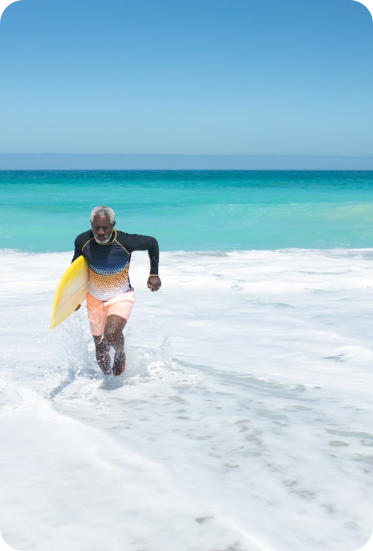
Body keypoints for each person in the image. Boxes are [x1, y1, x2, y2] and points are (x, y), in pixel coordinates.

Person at [72, 205, 161, 376]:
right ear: (91, 224)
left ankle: (120, 353)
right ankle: (107, 385)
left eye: (105, 227)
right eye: (96, 227)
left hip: (120, 296)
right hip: (94, 298)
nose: (101, 232)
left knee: (112, 333)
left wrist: (154, 274)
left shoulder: (125, 241)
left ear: (113, 225)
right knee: (101, 349)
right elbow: (76, 270)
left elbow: (152, 243)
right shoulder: (82, 241)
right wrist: (74, 298)